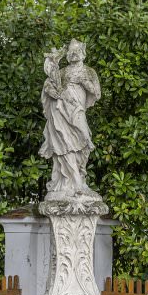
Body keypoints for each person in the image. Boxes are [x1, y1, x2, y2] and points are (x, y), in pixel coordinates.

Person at [39, 39, 101, 199]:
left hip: (77, 110)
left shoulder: (89, 72)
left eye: (77, 51)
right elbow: (49, 84)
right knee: (64, 141)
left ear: (83, 52)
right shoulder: (62, 72)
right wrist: (51, 91)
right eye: (71, 51)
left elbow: (97, 92)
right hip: (61, 111)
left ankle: (80, 177)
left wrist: (83, 81)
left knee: (85, 141)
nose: (73, 54)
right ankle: (70, 182)